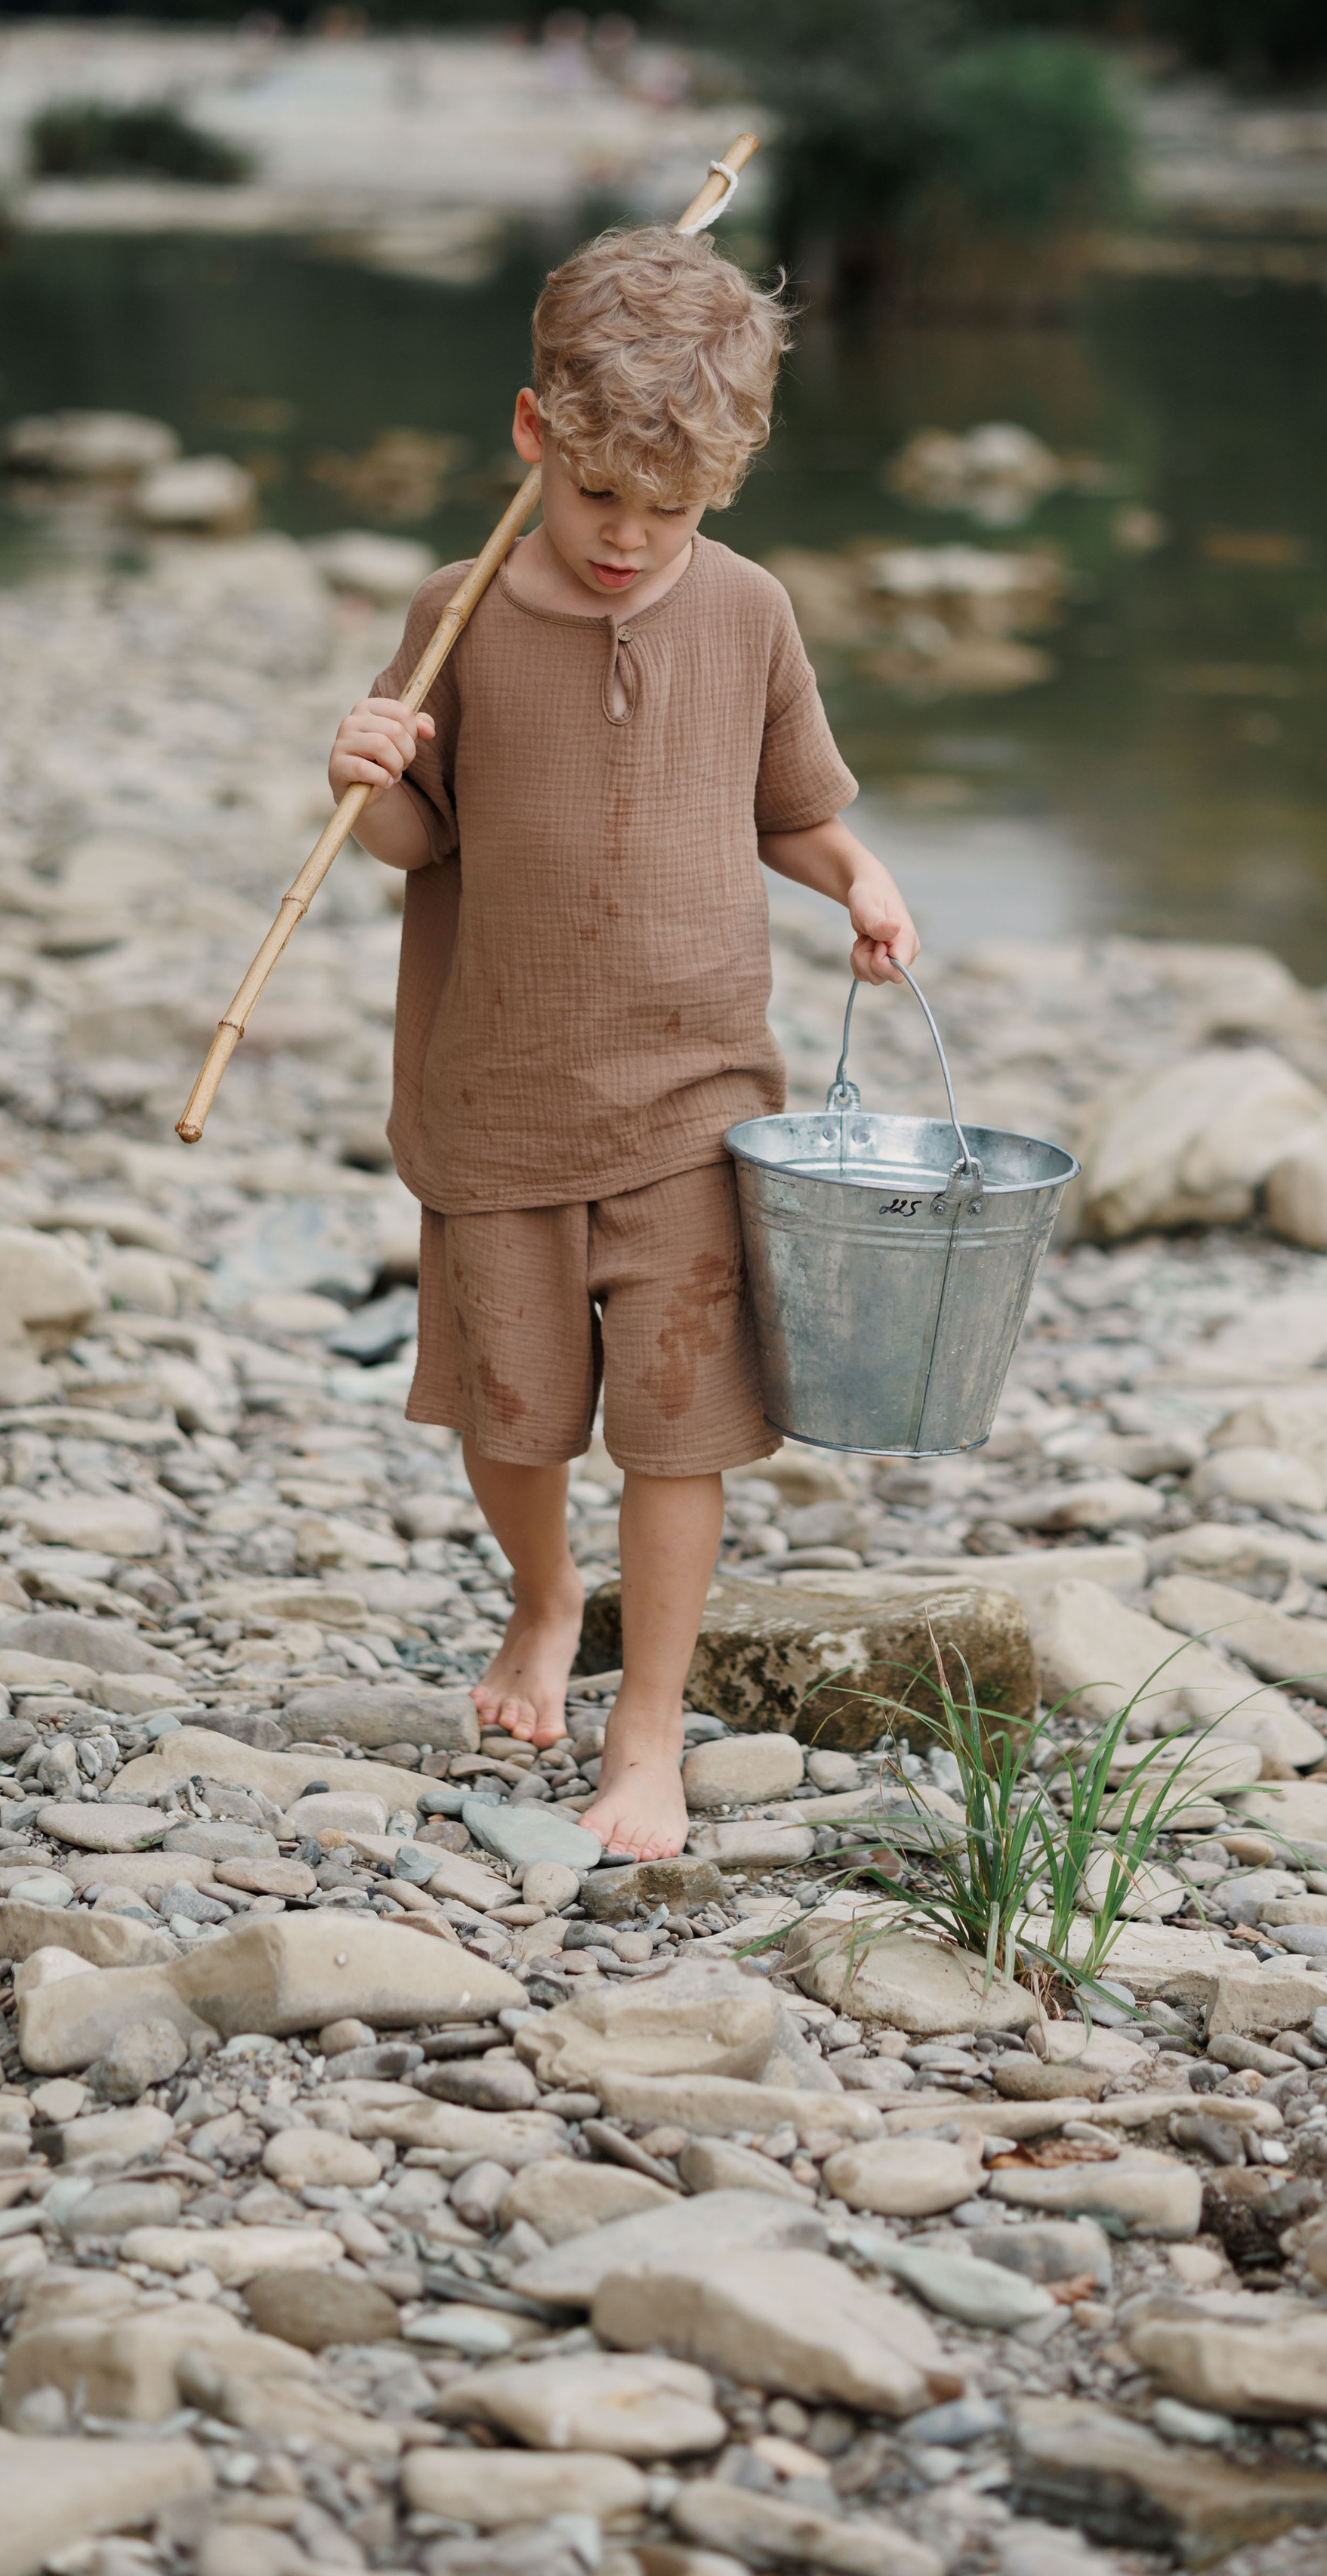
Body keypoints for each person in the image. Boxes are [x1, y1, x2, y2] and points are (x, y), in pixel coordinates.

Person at [328, 225, 918, 1859]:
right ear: (534, 432)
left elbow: (787, 812)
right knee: (509, 1421)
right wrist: (363, 780)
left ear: (725, 485)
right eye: (599, 496)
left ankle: (646, 1727)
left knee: (678, 1431)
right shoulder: (456, 617)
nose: (630, 538)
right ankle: (543, 1595)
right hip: (499, 1102)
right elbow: (414, 842)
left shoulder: (747, 614)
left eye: (674, 508)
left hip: (695, 1107)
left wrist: (860, 880)